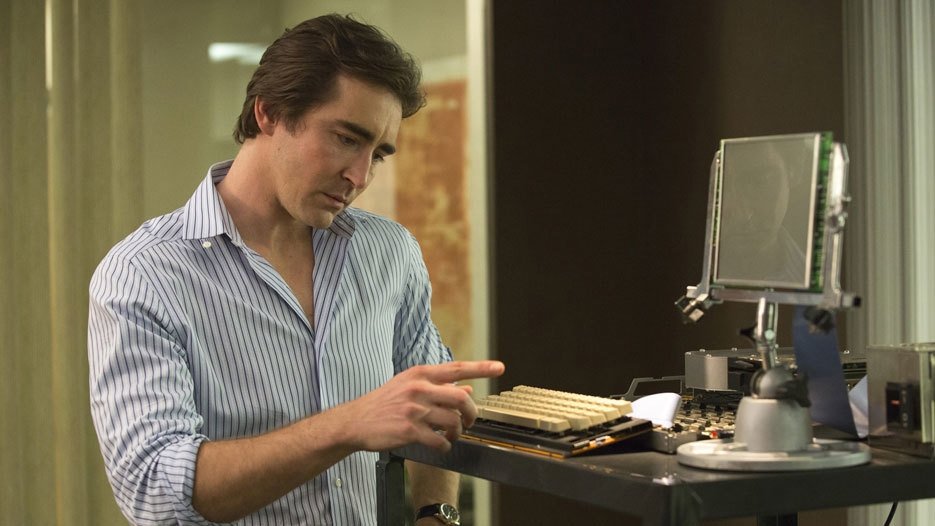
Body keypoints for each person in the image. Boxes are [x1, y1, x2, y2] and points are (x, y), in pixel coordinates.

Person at [88, 14, 504, 526]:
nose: (360, 176)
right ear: (269, 112)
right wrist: (347, 425)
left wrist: (437, 515)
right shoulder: (143, 275)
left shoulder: (390, 253)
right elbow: (155, 490)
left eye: (378, 154)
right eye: (347, 139)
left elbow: (434, 412)